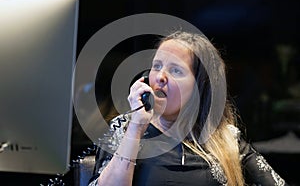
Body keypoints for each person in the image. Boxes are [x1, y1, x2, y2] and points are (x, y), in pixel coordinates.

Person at [88, 31, 288, 186]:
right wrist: (136, 127)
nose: (160, 77)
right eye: (157, 66)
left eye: (175, 70)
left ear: (200, 87)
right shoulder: (126, 128)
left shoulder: (226, 138)